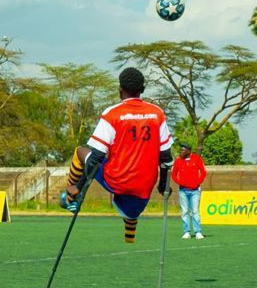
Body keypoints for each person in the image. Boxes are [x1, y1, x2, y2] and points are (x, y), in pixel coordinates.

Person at [60, 67, 173, 243]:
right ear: (142, 90)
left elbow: (96, 156)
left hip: (117, 179)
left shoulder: (112, 114)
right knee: (132, 210)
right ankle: (130, 238)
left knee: (80, 151)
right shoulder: (157, 113)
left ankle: (70, 198)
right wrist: (163, 185)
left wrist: (79, 187)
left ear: (120, 91)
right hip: (143, 186)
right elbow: (166, 157)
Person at [172, 143, 207, 240]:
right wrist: (180, 183)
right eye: (180, 150)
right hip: (183, 190)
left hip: (195, 191)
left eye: (183, 150)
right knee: (184, 211)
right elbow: (174, 175)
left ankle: (198, 232)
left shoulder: (197, 159)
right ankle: (186, 232)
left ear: (188, 151)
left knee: (195, 211)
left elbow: (203, 173)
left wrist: (197, 183)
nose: (181, 152)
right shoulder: (178, 161)